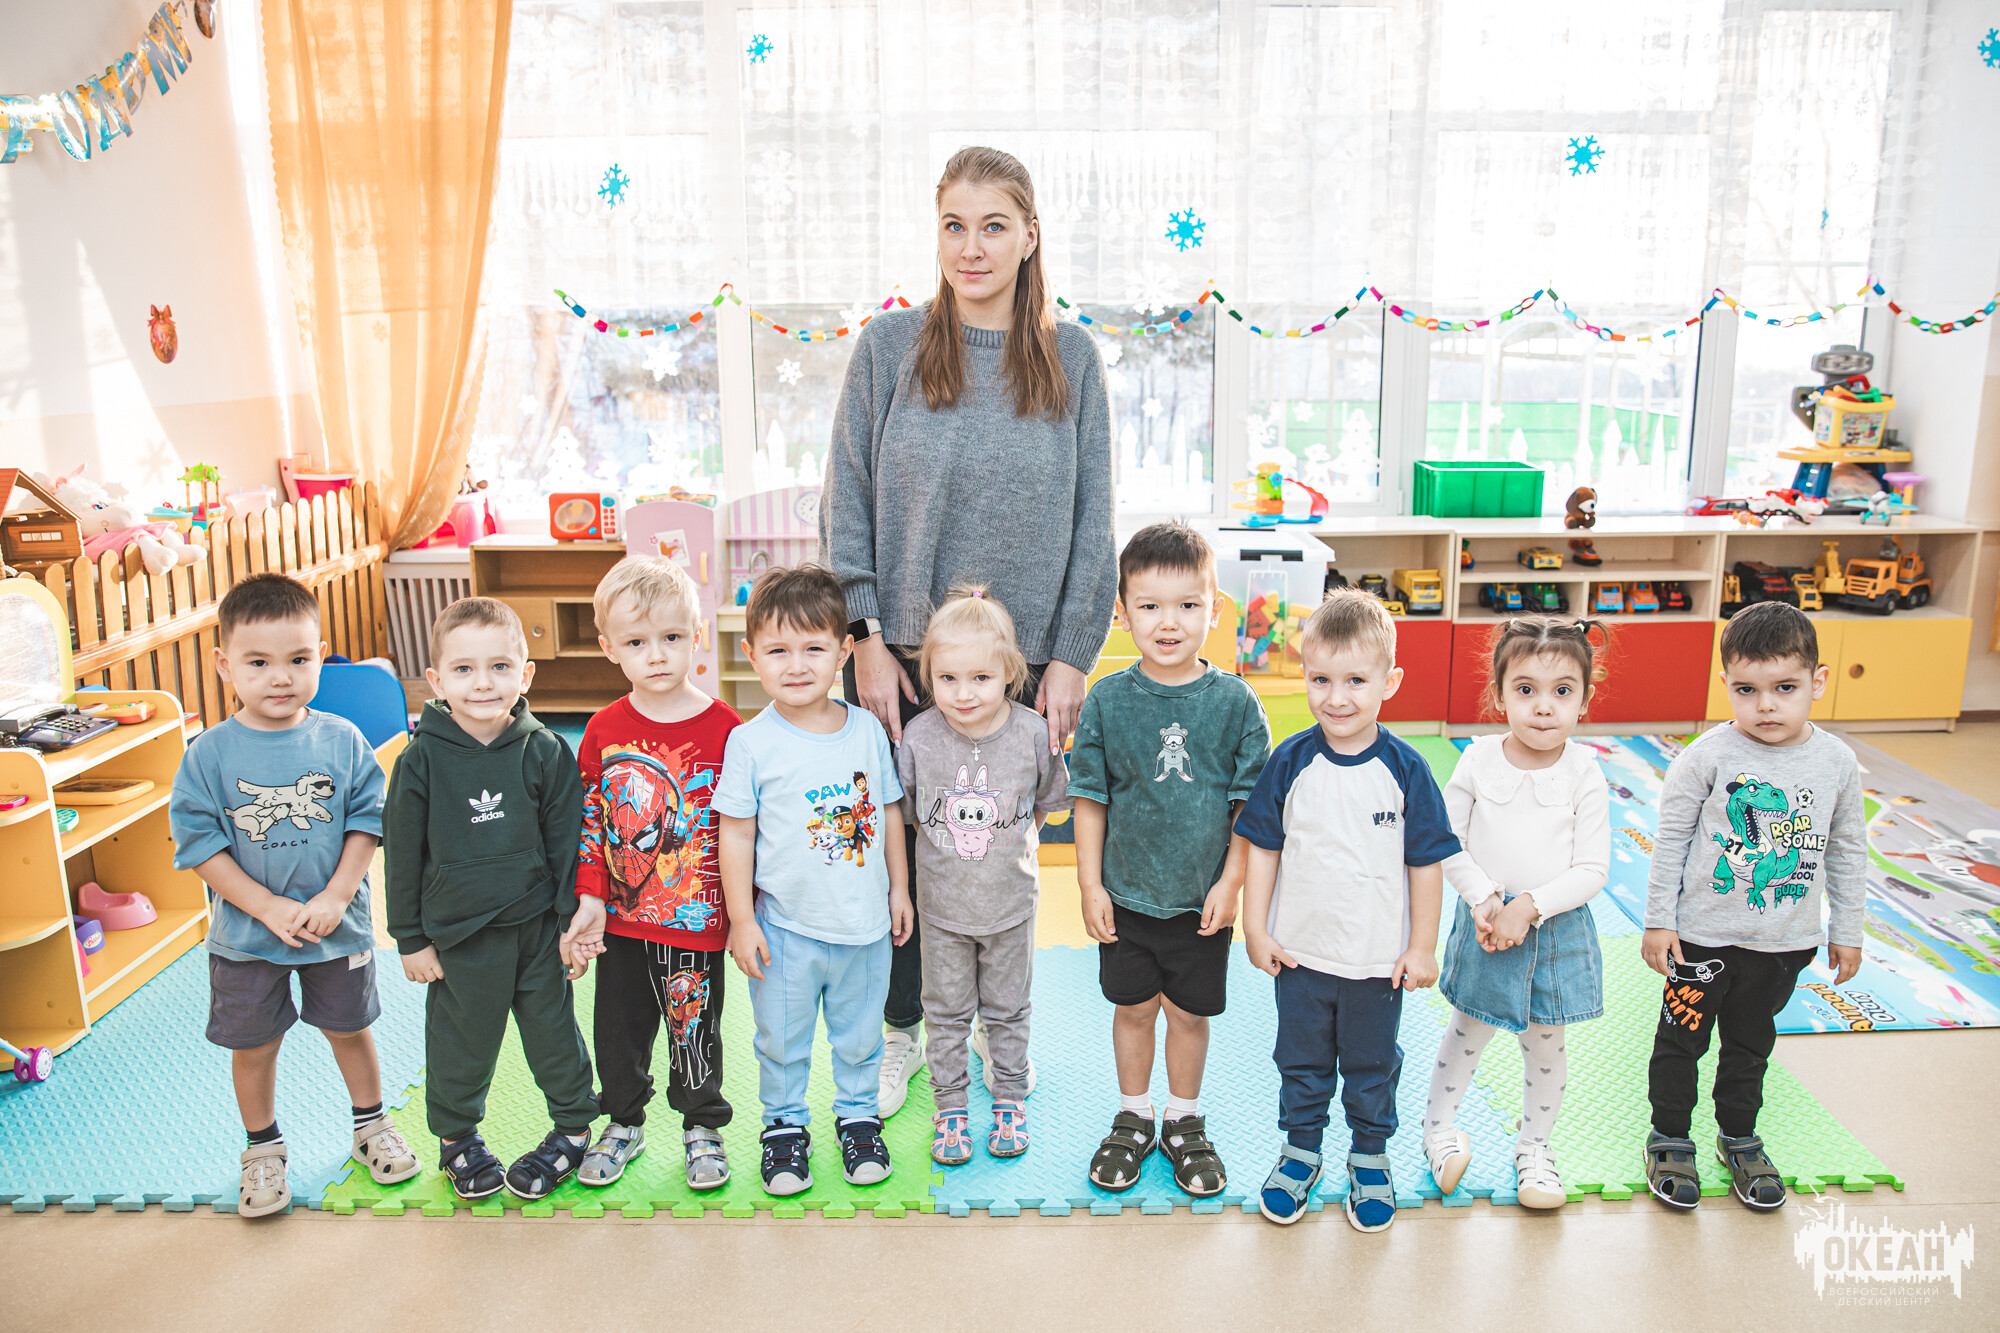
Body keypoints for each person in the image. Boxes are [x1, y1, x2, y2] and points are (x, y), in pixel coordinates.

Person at [819, 145, 1115, 1114]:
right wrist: (864, 634)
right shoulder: (890, 347)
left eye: (993, 225)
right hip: (903, 657)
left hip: (1016, 666)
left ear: (1030, 235)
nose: (971, 246)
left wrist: (1071, 655)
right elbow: (846, 498)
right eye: (954, 225)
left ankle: (997, 1024)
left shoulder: (1072, 358)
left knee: (992, 854)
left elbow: (1094, 520)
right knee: (898, 848)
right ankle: (906, 1029)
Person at [169, 572, 418, 1218]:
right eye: (258, 662)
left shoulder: (342, 739)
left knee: (350, 1029)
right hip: (247, 937)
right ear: (224, 664)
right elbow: (199, 846)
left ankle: (371, 1124)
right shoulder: (208, 755)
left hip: (337, 928)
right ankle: (263, 1148)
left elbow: (368, 820)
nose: (280, 677)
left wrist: (337, 894)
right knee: (253, 1046)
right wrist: (265, 906)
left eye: (299, 659)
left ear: (320, 655)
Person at [1236, 589, 1460, 1232]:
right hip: (1300, 956)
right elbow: (1263, 848)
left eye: (1356, 681)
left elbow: (1426, 864)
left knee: (1371, 1066)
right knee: (1300, 1063)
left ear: (1390, 682)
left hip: (1376, 962)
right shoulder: (1291, 761)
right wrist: (1255, 927)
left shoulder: (1407, 769)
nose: (1337, 698)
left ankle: (1369, 1155)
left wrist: (1422, 947)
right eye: (1321, 680)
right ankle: (1301, 1151)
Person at [1641, 601, 1864, 1212]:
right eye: (1747, 690)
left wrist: (1846, 928)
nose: (1766, 705)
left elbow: (1848, 849)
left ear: (1818, 681)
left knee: (1750, 1044)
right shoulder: (1706, 756)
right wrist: (1659, 920)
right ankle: (1669, 1136)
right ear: (1726, 685)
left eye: (1785, 688)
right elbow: (1671, 840)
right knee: (1681, 1040)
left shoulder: (1837, 763)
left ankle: (1739, 1136)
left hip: (1783, 943)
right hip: (1701, 938)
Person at [1068, 522, 1268, 1198]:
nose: (1169, 622)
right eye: (1150, 605)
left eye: (1188, 604)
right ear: (1122, 613)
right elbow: (1090, 797)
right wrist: (1090, 884)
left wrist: (1232, 883)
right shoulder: (1107, 698)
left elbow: (1249, 808)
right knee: (1132, 1010)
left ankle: (1183, 1117)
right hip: (1126, 896)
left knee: (1187, 1014)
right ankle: (1134, 1113)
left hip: (1200, 903)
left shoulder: (1236, 703)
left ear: (1215, 610)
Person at [384, 597, 600, 1202]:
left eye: (500, 667)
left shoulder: (545, 750)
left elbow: (567, 844)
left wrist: (571, 927)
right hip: (459, 939)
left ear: (525, 675)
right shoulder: (419, 761)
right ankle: (458, 1141)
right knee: (461, 1046)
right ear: (436, 681)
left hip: (538, 933)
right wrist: (410, 939)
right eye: (464, 669)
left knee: (555, 1037)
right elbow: (401, 856)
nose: (483, 683)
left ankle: (574, 1128)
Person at [713, 565, 913, 1196]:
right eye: (777, 651)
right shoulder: (749, 743)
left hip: (864, 929)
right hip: (784, 931)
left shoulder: (867, 731)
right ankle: (783, 1126)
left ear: (844, 651)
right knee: (781, 1040)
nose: (796, 666)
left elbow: (889, 813)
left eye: (814, 649)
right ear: (751, 655)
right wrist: (741, 920)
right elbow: (735, 834)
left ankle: (857, 1118)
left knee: (861, 1039)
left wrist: (900, 890)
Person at [564, 557, 741, 1192]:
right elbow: (590, 824)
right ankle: (624, 1123)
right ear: (609, 648)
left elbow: (745, 829)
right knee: (618, 1034)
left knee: (695, 1034)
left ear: (697, 635)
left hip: (696, 924)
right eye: (637, 643)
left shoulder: (727, 728)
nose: (657, 655)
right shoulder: (604, 729)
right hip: (619, 924)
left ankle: (702, 1127)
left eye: (670, 637)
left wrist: (745, 912)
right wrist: (588, 899)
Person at [1423, 618, 1611, 1211]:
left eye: (1562, 691)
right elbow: (1445, 839)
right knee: (1467, 1030)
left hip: (1554, 930)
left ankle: (1535, 1148)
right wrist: (1485, 898)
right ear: (1499, 695)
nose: (1543, 706)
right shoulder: (1478, 759)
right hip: (1485, 924)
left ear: (1585, 700)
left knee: (1546, 1044)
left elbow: (1593, 868)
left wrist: (1528, 907)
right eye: (1526, 689)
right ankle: (1439, 1131)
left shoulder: (1585, 771)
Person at [896, 587, 1070, 1166]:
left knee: (1008, 1011)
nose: (963, 693)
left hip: (1011, 908)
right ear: (928, 675)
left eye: (980, 678)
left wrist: (1010, 844)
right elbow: (910, 814)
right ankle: (950, 1109)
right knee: (944, 1014)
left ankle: (1009, 1099)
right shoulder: (919, 738)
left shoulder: (1033, 734)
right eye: (947, 678)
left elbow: (1045, 806)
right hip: (942, 913)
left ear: (1009, 673)